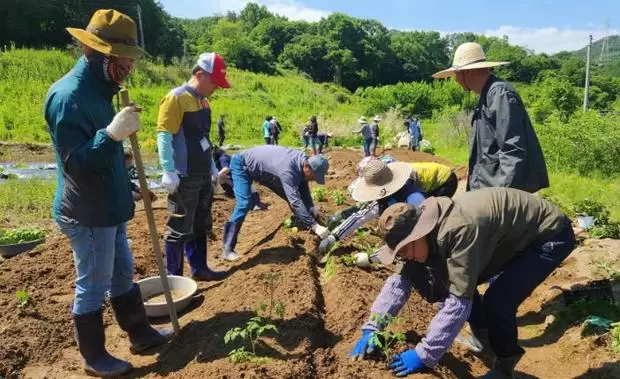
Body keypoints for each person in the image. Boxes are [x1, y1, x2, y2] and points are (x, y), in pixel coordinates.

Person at [44, 9, 171, 377]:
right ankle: (95, 357)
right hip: (87, 211)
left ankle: (139, 332)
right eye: (124, 61)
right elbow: (76, 163)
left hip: (109, 204)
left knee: (122, 273)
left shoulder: (102, 91)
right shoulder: (68, 97)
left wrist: (122, 162)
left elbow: (101, 153)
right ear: (99, 54)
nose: (129, 68)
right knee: (94, 283)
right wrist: (111, 135)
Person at [350, 188, 575, 378]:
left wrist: (425, 354)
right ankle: (486, 339)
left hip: (548, 235)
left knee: (498, 301)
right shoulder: (421, 233)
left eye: (404, 251)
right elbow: (400, 281)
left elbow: (459, 302)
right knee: (453, 280)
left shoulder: (458, 231)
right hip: (507, 236)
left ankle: (505, 366)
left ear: (418, 235)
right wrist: (374, 325)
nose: (404, 257)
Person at [433, 42, 549, 193]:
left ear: (466, 72)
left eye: (456, 75)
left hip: (497, 193)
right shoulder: (486, 95)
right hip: (487, 189)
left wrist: (500, 198)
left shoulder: (499, 94)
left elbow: (512, 150)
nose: (455, 80)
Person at [156, 52, 231, 281]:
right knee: (179, 227)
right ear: (200, 74)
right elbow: (164, 135)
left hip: (202, 175)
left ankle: (199, 269)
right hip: (184, 176)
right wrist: (169, 170)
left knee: (201, 224)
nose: (216, 88)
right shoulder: (176, 98)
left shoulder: (203, 101)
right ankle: (175, 280)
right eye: (214, 83)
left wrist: (212, 170)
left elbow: (204, 139)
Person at [319, 157, 457, 254]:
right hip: (422, 179)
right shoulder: (382, 191)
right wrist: (334, 237)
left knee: (428, 225)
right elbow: (360, 216)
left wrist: (376, 256)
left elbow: (420, 226)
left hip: (444, 180)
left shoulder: (413, 196)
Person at [222, 145, 330, 261]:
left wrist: (312, 209)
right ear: (307, 167)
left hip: (265, 172)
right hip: (243, 165)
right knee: (244, 203)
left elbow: (304, 191)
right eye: (314, 176)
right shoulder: (288, 169)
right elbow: (295, 202)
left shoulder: (303, 163)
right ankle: (228, 248)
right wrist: (314, 226)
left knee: (294, 197)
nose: (313, 179)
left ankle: (305, 222)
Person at [212, 145, 267, 210]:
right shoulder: (217, 159)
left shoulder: (223, 158)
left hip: (241, 174)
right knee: (222, 178)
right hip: (234, 175)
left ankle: (256, 203)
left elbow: (226, 168)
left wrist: (216, 176)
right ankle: (230, 192)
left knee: (248, 188)